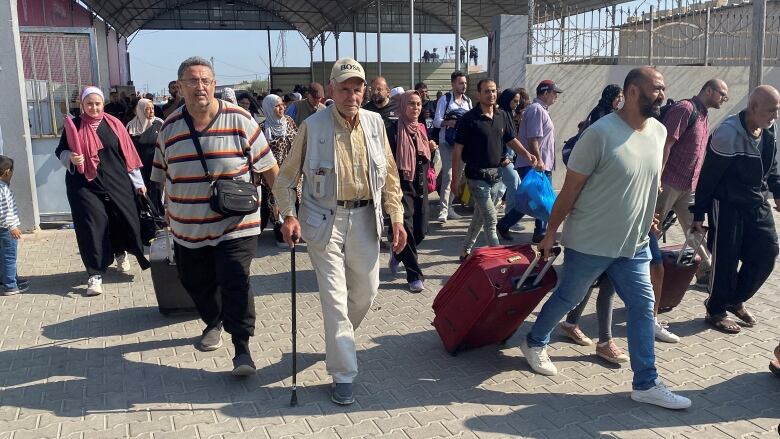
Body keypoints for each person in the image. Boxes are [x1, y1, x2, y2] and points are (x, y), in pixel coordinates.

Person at [522, 67, 692, 410]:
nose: (662, 95)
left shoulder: (659, 132)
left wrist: (650, 216)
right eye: (655, 89)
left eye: (663, 89)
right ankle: (535, 341)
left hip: (634, 245)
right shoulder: (599, 134)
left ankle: (646, 382)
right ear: (632, 91)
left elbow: (648, 181)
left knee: (644, 309)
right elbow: (570, 191)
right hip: (590, 243)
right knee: (568, 298)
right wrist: (551, 232)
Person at [273, 58, 406, 406]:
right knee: (334, 299)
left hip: (365, 218)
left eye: (357, 87)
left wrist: (397, 217)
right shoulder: (312, 126)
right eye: (344, 88)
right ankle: (343, 373)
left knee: (366, 293)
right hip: (322, 220)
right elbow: (286, 179)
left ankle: (338, 341)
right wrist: (288, 215)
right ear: (332, 90)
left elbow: (390, 176)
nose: (352, 94)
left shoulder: (377, 124)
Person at [151, 57, 279, 376]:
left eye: (206, 80)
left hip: (236, 223)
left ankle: (242, 349)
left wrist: (285, 210)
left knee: (235, 278)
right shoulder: (168, 128)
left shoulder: (240, 119)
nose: (200, 87)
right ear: (180, 87)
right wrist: (162, 213)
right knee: (194, 281)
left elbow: (270, 168)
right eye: (192, 81)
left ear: (214, 84)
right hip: (187, 227)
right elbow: (160, 177)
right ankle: (214, 319)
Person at [691, 85, 780, 334]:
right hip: (727, 205)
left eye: (777, 111)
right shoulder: (727, 133)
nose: (775, 116)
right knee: (726, 261)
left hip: (757, 203)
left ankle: (734, 298)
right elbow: (708, 178)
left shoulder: (768, 130)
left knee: (767, 252)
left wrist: (778, 191)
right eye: (771, 110)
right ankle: (716, 309)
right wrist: (699, 213)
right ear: (753, 107)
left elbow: (771, 167)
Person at [55, 86, 150, 296]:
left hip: (117, 182)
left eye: (98, 103)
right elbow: (60, 150)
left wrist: (138, 183)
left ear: (103, 104)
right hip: (84, 185)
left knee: (122, 219)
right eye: (89, 104)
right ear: (82, 105)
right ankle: (95, 273)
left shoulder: (114, 124)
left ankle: (121, 252)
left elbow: (128, 154)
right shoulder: (75, 125)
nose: (94, 107)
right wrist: (70, 156)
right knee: (91, 225)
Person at [450, 79, 538, 261]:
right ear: (478, 94)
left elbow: (511, 140)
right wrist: (455, 180)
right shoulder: (468, 119)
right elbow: (457, 150)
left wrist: (528, 155)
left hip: (497, 177)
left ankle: (464, 251)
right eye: (487, 91)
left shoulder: (502, 115)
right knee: (491, 219)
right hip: (476, 177)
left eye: (493, 91)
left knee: (479, 218)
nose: (491, 94)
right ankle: (499, 260)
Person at [657, 79, 729, 289]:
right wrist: (657, 177)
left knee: (695, 228)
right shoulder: (684, 109)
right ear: (708, 90)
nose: (724, 99)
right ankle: (630, 268)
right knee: (652, 228)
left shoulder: (704, 115)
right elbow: (667, 143)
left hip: (688, 186)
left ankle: (706, 271)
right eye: (722, 94)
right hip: (668, 182)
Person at [496, 80, 561, 243]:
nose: (556, 97)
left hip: (540, 164)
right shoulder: (536, 110)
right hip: (534, 164)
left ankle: (538, 231)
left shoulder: (541, 110)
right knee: (534, 200)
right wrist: (538, 160)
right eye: (554, 93)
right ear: (545, 93)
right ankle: (508, 225)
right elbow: (533, 138)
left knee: (538, 199)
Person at [387, 91, 437, 292]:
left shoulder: (423, 129)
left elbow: (426, 159)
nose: (415, 108)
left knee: (421, 230)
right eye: (411, 104)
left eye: (418, 104)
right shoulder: (393, 129)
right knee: (406, 230)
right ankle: (414, 276)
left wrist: (431, 150)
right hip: (401, 185)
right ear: (403, 106)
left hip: (420, 185)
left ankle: (397, 253)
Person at [259, 94, 299, 248]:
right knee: (276, 205)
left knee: (294, 202)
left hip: (292, 173)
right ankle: (280, 231)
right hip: (272, 175)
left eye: (282, 104)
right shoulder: (263, 128)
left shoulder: (289, 122)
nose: (282, 108)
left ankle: (293, 228)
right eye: (277, 106)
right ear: (269, 108)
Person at [434, 71, 472, 223]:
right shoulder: (445, 100)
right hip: (447, 143)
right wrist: (448, 122)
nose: (463, 86)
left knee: (458, 176)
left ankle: (450, 207)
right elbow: (437, 121)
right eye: (460, 83)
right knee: (448, 175)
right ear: (453, 84)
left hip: (463, 144)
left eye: (465, 83)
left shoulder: (467, 101)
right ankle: (443, 210)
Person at [126, 98, 165, 213]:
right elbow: (127, 147)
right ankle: (144, 216)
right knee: (141, 191)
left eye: (152, 108)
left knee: (156, 192)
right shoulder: (131, 126)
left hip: (156, 165)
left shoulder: (159, 123)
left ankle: (158, 217)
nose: (151, 111)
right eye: (147, 109)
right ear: (140, 110)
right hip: (138, 167)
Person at [0, 156, 29, 295]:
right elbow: (5, 211)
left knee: (3, 256)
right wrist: (12, 227)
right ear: (6, 172)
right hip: (6, 230)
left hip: (3, 228)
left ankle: (9, 279)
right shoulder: (3, 189)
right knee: (9, 257)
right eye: (12, 171)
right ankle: (10, 285)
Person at [496, 88, 524, 217]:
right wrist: (502, 157)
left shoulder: (507, 114)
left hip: (508, 158)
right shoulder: (501, 114)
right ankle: (507, 220)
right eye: (515, 101)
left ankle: (507, 220)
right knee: (512, 184)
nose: (517, 104)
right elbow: (498, 138)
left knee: (508, 187)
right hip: (501, 159)